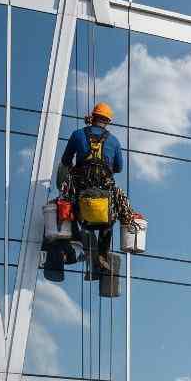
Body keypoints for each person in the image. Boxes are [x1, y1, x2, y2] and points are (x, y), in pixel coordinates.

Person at [57, 102, 134, 271]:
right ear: (107, 122)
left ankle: (71, 247)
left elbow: (65, 161)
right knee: (110, 220)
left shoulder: (77, 135)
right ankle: (102, 255)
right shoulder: (114, 141)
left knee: (67, 210)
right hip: (104, 195)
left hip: (81, 191)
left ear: (92, 117)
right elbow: (119, 168)